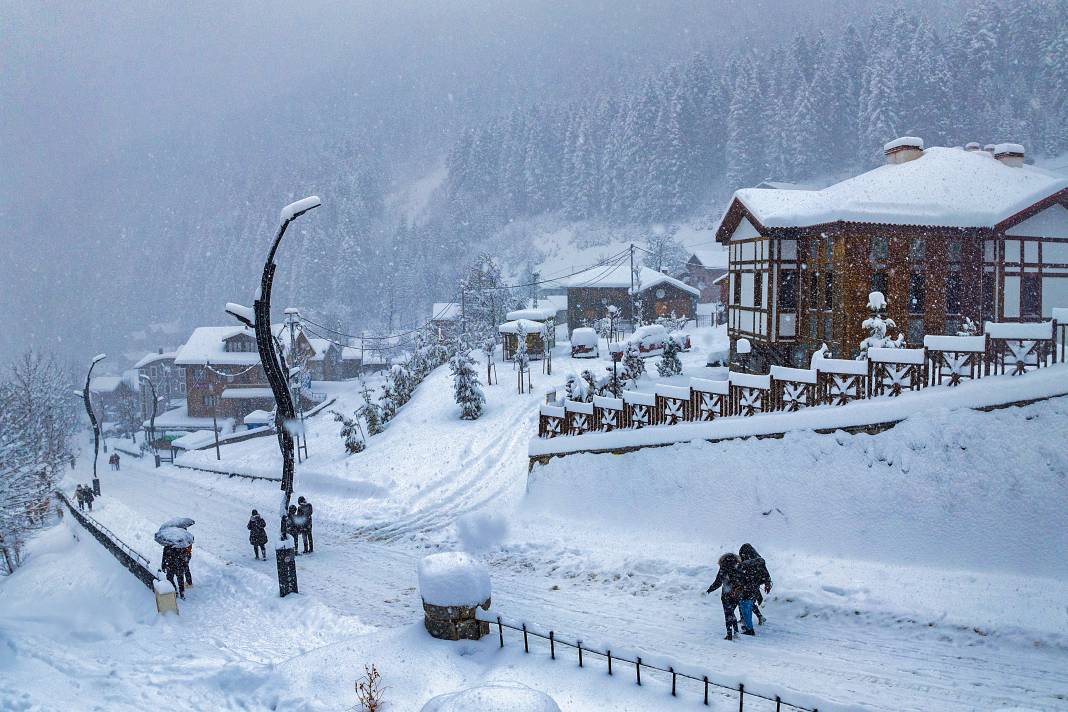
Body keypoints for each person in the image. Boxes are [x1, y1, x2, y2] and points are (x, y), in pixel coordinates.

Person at [706, 552, 746, 640]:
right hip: (737, 594)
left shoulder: (723, 569)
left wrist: (709, 590)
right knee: (731, 612)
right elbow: (744, 581)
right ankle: (736, 632)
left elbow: (718, 583)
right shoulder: (738, 568)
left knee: (728, 613)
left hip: (726, 595)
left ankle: (729, 635)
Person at [739, 543, 773, 626]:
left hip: (747, 585)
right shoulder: (759, 560)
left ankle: (747, 619)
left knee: (743, 601)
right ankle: (757, 617)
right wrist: (767, 583)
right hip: (755, 584)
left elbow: (742, 573)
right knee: (749, 602)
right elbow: (766, 573)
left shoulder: (745, 562)